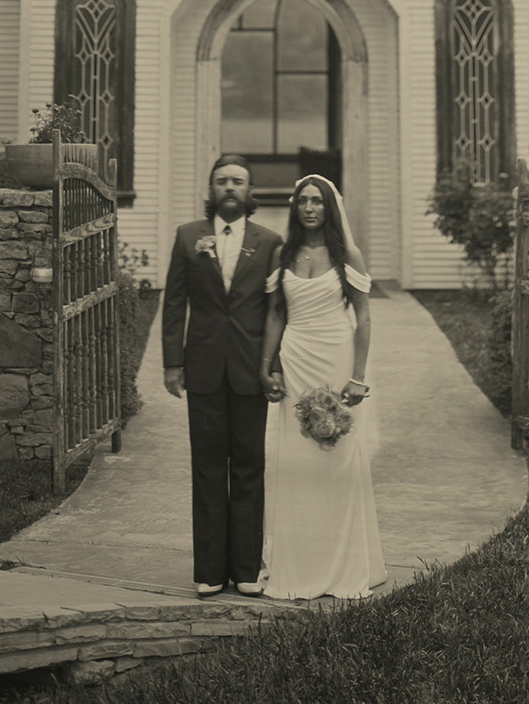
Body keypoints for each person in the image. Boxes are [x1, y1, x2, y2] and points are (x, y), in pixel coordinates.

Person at [258, 174, 387, 600]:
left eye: (318, 201)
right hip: (295, 362)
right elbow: (276, 314)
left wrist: (358, 378)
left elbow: (364, 318)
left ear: (331, 208)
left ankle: (343, 566)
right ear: (295, 207)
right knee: (296, 459)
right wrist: (267, 366)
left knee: (338, 459)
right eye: (303, 201)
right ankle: (300, 565)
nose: (310, 208)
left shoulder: (347, 254)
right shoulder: (284, 252)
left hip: (336, 357)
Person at [162, 153, 283, 598]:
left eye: (238, 181)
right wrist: (173, 363)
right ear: (211, 190)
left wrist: (276, 367)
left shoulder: (270, 242)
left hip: (252, 370)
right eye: (222, 181)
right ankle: (211, 570)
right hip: (205, 369)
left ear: (249, 193)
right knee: (209, 467)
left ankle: (248, 570)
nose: (230, 187)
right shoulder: (188, 237)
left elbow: (277, 311)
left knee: (250, 466)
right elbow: (174, 303)